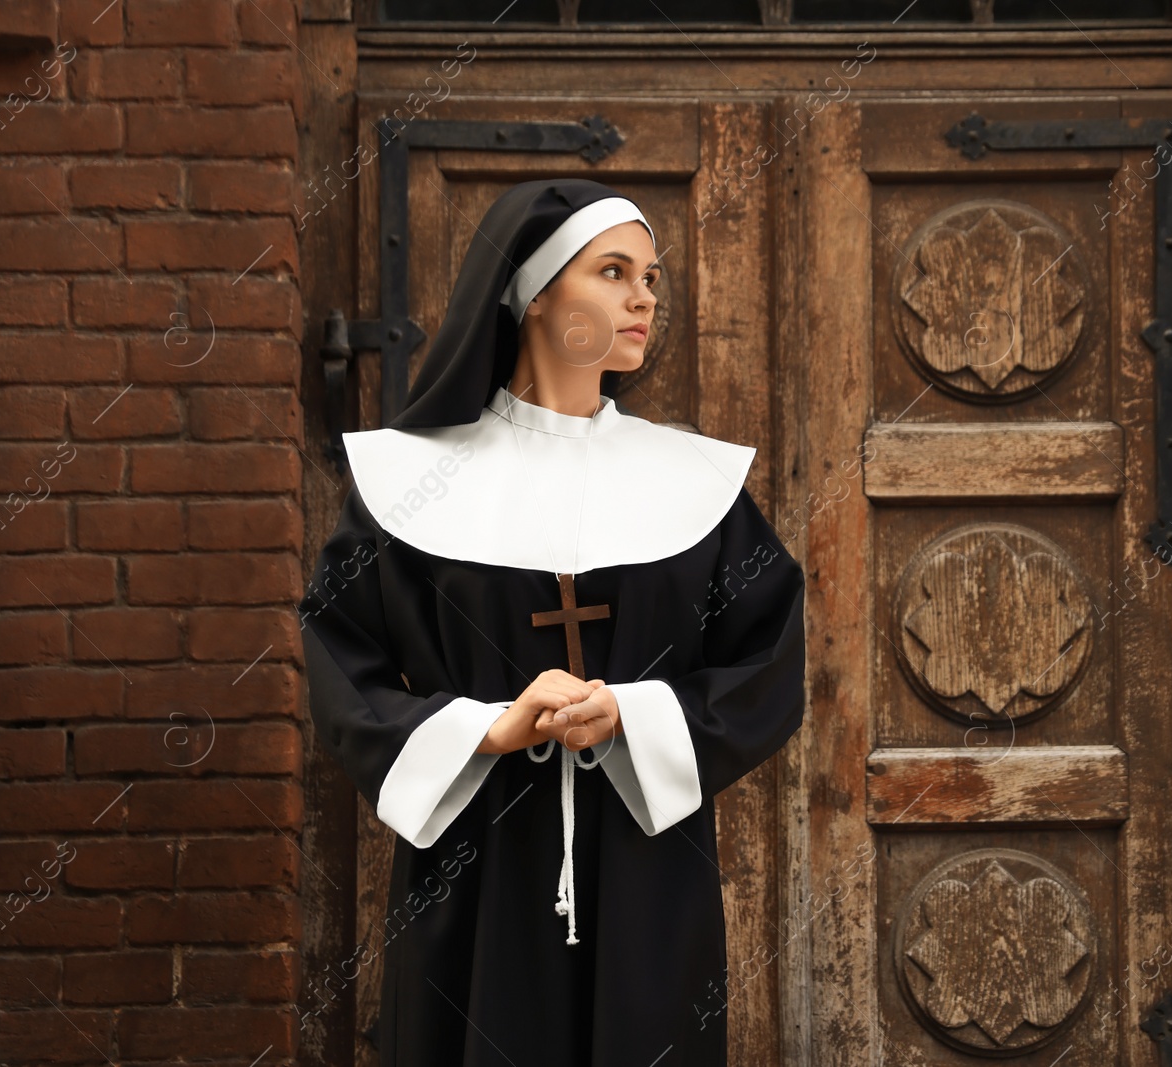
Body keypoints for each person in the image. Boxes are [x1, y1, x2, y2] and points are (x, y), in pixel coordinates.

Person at [298, 178, 806, 1066]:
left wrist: (634, 716)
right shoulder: (411, 481)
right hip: (474, 875)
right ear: (534, 296)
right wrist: (485, 726)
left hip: (652, 871)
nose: (645, 296)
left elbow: (770, 659)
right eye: (613, 271)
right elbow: (343, 656)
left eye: (651, 276)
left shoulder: (694, 483)